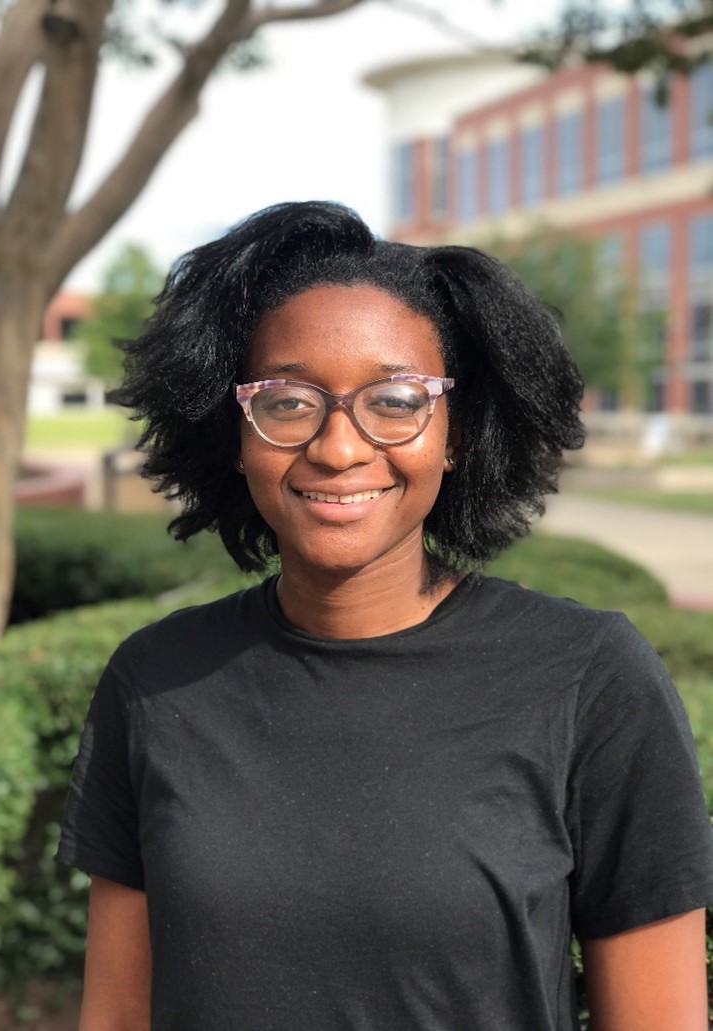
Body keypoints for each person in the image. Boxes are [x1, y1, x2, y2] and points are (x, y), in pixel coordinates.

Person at [58, 201, 713, 1031]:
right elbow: (116, 1016)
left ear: (454, 433)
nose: (338, 447)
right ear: (236, 431)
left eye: (396, 400)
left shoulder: (587, 677)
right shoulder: (156, 680)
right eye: (287, 400)